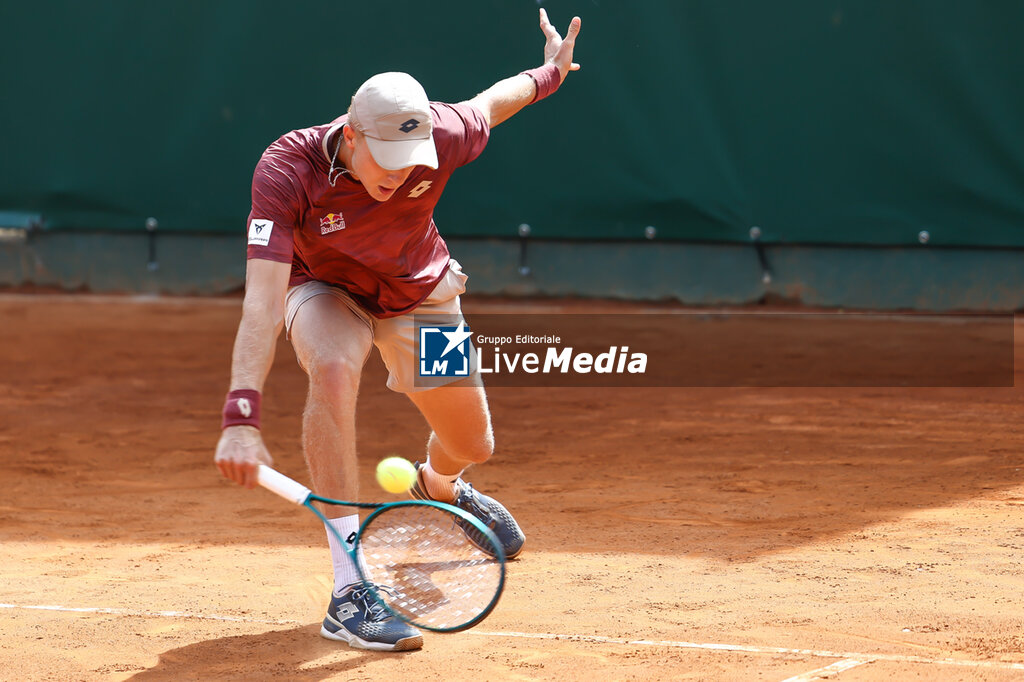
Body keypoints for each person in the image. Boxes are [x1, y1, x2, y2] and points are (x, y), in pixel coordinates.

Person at [214, 8, 582, 652]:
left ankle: (439, 485)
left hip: (422, 292)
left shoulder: (441, 136)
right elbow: (261, 302)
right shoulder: (287, 170)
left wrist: (549, 73)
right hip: (325, 290)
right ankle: (350, 586)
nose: (400, 174)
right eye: (384, 158)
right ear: (351, 135)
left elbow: (493, 102)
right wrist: (242, 416)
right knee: (331, 367)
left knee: (473, 441)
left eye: (409, 158)